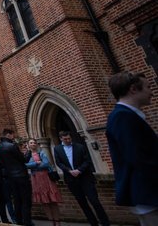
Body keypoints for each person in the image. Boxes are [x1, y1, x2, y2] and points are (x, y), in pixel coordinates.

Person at [106, 71, 158, 226]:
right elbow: (137, 157)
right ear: (133, 89)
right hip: (148, 192)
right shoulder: (122, 116)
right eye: (148, 87)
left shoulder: (128, 115)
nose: (152, 92)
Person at [53, 131, 109, 226]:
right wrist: (69, 171)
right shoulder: (57, 149)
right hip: (71, 180)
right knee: (83, 203)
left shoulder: (80, 147)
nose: (68, 140)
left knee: (94, 201)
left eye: (69, 138)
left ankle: (105, 223)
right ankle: (93, 223)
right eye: (65, 139)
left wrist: (79, 170)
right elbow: (59, 163)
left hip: (85, 178)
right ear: (61, 139)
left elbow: (87, 160)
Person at [0, 128, 32, 226]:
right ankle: (27, 222)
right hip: (21, 176)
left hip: (10, 177)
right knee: (26, 200)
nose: (14, 137)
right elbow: (24, 160)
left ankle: (19, 221)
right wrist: (28, 151)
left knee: (17, 200)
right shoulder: (12, 146)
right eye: (13, 135)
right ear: (8, 135)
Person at [25, 138, 62, 225]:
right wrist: (36, 163)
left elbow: (46, 164)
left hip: (46, 177)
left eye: (34, 142)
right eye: (31, 143)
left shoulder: (41, 152)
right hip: (36, 179)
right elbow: (25, 165)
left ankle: (57, 221)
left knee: (53, 201)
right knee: (44, 202)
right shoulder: (27, 156)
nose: (33, 144)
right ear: (28, 145)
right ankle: (52, 221)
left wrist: (34, 165)